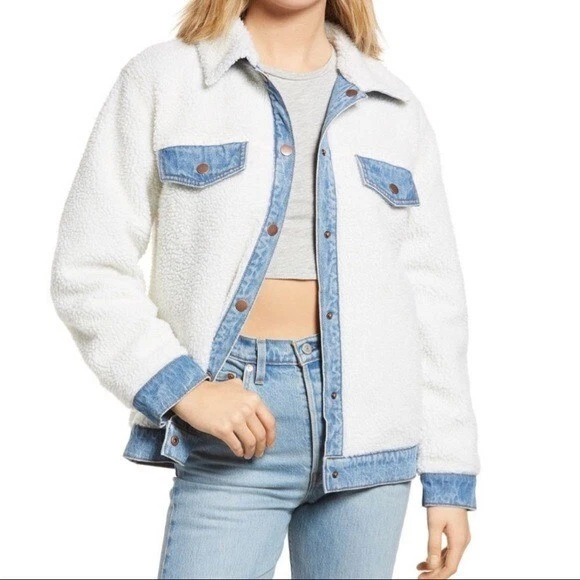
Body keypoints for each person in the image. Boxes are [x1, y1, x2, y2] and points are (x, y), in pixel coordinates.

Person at [50, 0, 480, 578]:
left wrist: (449, 475)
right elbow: (88, 266)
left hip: (372, 437)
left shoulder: (394, 106)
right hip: (233, 426)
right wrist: (183, 387)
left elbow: (434, 302)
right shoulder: (164, 80)